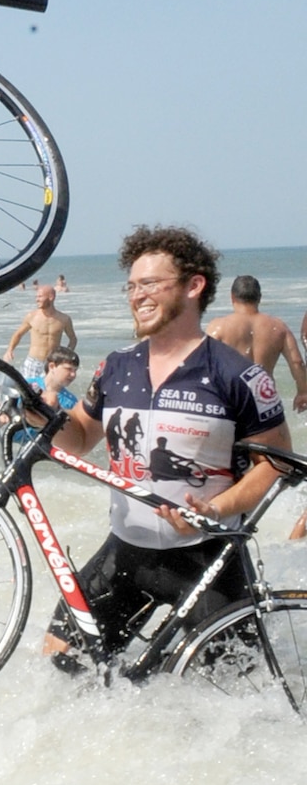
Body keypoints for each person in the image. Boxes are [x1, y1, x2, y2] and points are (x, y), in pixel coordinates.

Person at [40, 226, 291, 667]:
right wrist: (35, 413)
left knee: (233, 700)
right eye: (132, 286)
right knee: (59, 662)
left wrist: (215, 509)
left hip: (207, 558)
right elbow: (78, 438)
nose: (137, 295)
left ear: (194, 286)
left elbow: (275, 464)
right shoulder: (116, 367)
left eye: (151, 284)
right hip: (124, 552)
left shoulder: (238, 375)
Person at [206, 275, 307, 412]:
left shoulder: (219, 327)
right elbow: (297, 362)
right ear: (259, 297)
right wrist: (303, 392)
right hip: (265, 398)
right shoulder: (278, 327)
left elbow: (201, 363)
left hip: (231, 398)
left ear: (232, 297)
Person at [6, 282, 77, 380]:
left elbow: (73, 339)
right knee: (29, 392)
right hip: (33, 362)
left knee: (49, 392)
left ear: (51, 297)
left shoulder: (64, 319)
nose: (37, 300)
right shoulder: (32, 316)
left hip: (52, 363)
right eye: (36, 297)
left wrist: (66, 356)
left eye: (40, 297)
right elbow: (18, 334)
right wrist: (10, 350)